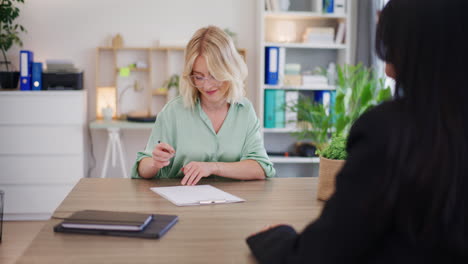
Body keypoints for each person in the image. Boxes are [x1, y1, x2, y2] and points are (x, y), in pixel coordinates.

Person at [246, 0, 468, 263]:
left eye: (390, 48)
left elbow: (322, 252)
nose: (386, 67)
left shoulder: (387, 132)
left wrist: (278, 237)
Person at [131, 26, 275, 185]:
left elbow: (260, 168)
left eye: (214, 75)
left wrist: (213, 167)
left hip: (233, 205)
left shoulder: (244, 110)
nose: (207, 86)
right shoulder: (174, 111)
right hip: (181, 203)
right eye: (199, 77)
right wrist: (154, 163)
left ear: (230, 69)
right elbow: (143, 167)